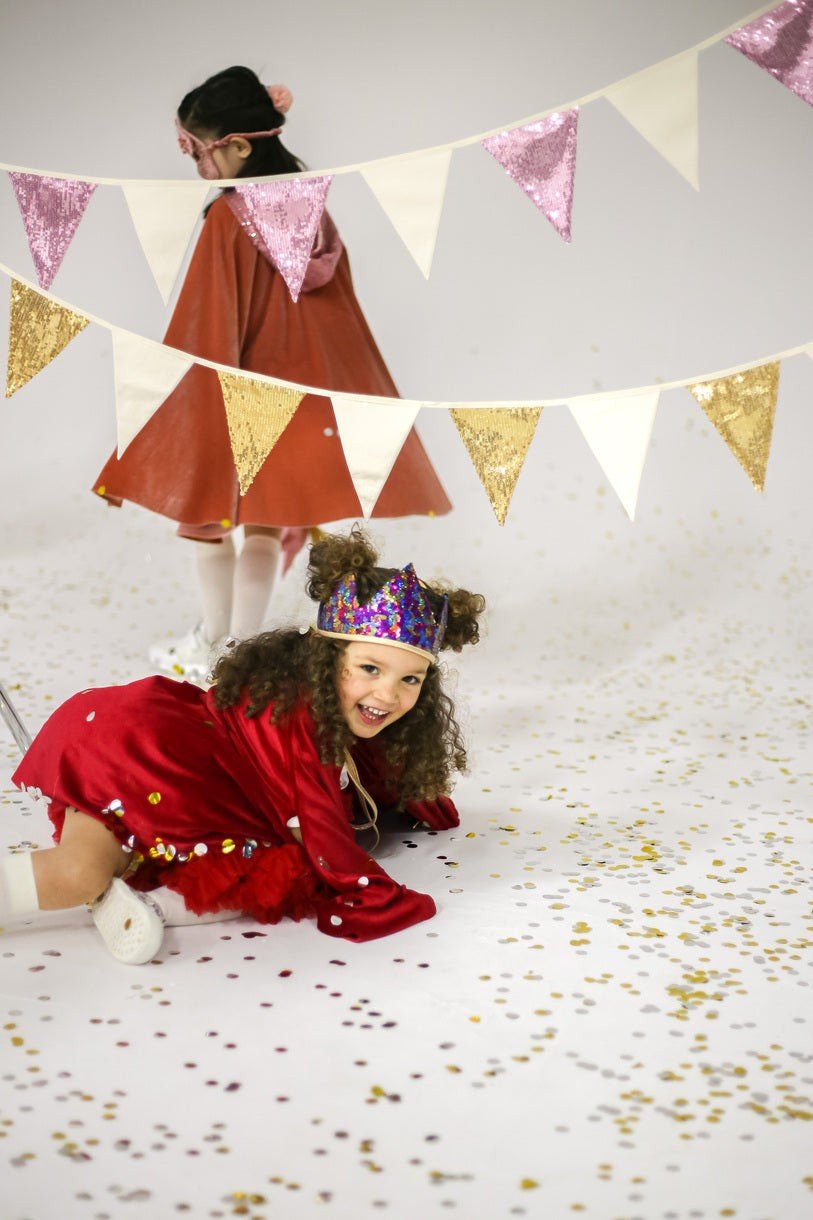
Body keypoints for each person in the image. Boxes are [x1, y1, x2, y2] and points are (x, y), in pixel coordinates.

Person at [93, 66, 451, 682]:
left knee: (208, 523)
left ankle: (213, 644)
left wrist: (185, 401)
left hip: (239, 391)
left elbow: (207, 321)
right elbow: (339, 313)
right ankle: (243, 652)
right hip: (303, 395)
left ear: (238, 146)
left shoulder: (230, 218)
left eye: (201, 152)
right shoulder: (312, 208)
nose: (199, 168)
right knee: (263, 522)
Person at [1, 530, 484, 963]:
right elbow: (318, 833)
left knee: (133, 863)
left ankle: (130, 885)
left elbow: (375, 771)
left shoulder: (342, 713)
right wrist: (373, 887)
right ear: (325, 660)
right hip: (148, 753)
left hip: (163, 764)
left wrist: (418, 797)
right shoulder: (304, 718)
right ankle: (124, 886)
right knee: (277, 873)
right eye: (370, 669)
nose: (388, 694)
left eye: (411, 679)